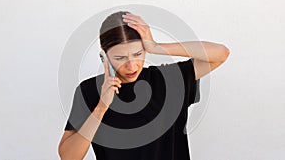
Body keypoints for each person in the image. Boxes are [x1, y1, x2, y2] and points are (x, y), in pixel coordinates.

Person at [58, 11, 230, 160]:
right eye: (120, 58)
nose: (131, 66)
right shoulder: (89, 91)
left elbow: (221, 53)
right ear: (104, 52)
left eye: (138, 54)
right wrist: (101, 107)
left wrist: (157, 46)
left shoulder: (169, 80)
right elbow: (68, 156)